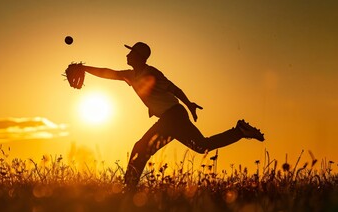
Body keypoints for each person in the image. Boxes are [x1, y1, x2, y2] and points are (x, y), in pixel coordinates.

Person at [81, 42, 264, 188]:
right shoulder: (131, 75)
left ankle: (128, 190)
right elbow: (109, 73)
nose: (127, 55)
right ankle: (239, 131)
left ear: (138, 57)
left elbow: (174, 88)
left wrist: (189, 104)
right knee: (202, 147)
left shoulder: (151, 73)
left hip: (173, 116)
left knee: (140, 149)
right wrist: (84, 68)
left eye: (131, 53)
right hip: (171, 118)